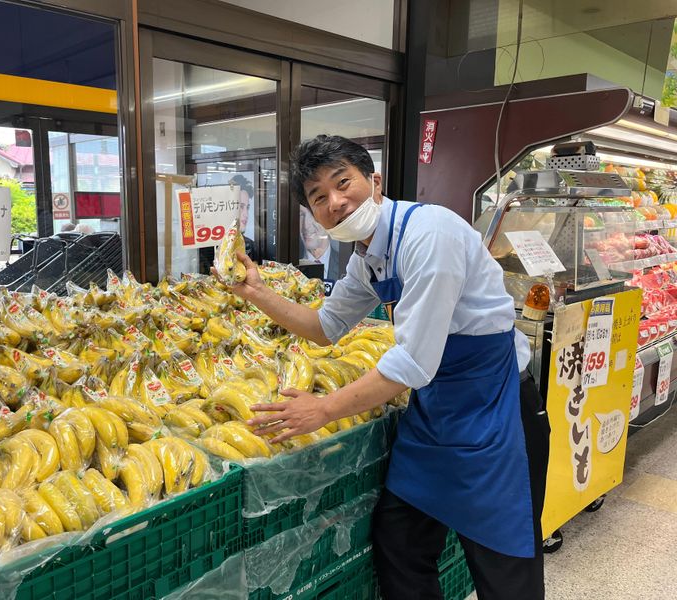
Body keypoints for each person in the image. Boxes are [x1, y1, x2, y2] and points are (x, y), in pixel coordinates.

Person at [224, 135, 549, 600]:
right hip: (437, 410)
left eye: (343, 183)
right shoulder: (369, 257)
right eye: (319, 198)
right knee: (400, 541)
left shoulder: (428, 234)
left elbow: (413, 361)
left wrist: (323, 409)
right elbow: (325, 325)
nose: (335, 202)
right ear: (313, 215)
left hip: (496, 413)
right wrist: (256, 291)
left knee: (503, 566)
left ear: (374, 181)